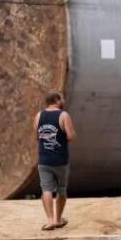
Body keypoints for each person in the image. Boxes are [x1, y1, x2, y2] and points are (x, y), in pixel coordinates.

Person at [35, 90, 77, 231]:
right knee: (61, 189)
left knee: (46, 189)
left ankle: (50, 221)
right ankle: (58, 219)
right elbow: (71, 136)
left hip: (44, 159)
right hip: (60, 160)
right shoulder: (63, 115)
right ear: (57, 100)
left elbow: (37, 136)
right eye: (62, 99)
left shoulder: (38, 116)